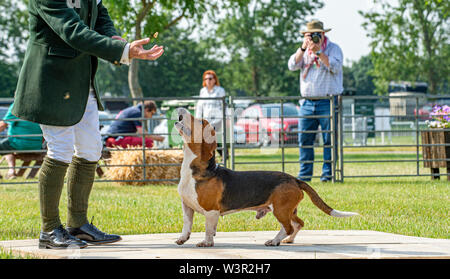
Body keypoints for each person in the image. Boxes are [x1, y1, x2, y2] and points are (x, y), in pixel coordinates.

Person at [12, 0, 164, 249]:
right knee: (60, 150)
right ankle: (49, 230)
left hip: (82, 81)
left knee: (91, 149)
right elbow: (73, 31)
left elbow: (99, 14)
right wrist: (123, 50)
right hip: (51, 81)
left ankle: (78, 225)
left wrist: (114, 38)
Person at [287, 20, 343, 182]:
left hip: (328, 101)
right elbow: (292, 65)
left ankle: (328, 174)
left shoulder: (333, 49)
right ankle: (304, 175)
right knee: (304, 139)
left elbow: (335, 67)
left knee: (329, 139)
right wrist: (303, 48)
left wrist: (319, 53)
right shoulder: (304, 51)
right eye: (310, 34)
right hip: (307, 102)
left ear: (323, 34)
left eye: (316, 34)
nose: (313, 37)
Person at [0, 103, 43, 179]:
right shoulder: (40, 105)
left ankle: (11, 171)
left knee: (6, 146)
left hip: (18, 144)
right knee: (7, 144)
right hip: (38, 146)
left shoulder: (17, 105)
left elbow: (2, 125)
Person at [195, 70, 227, 157]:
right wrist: (198, 119)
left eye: (210, 78)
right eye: (206, 79)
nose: (208, 81)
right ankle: (219, 154)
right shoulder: (203, 91)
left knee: (211, 137)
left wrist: (226, 117)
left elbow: (224, 105)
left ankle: (221, 153)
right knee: (208, 138)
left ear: (214, 80)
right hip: (206, 119)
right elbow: (200, 106)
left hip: (218, 119)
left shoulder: (220, 90)